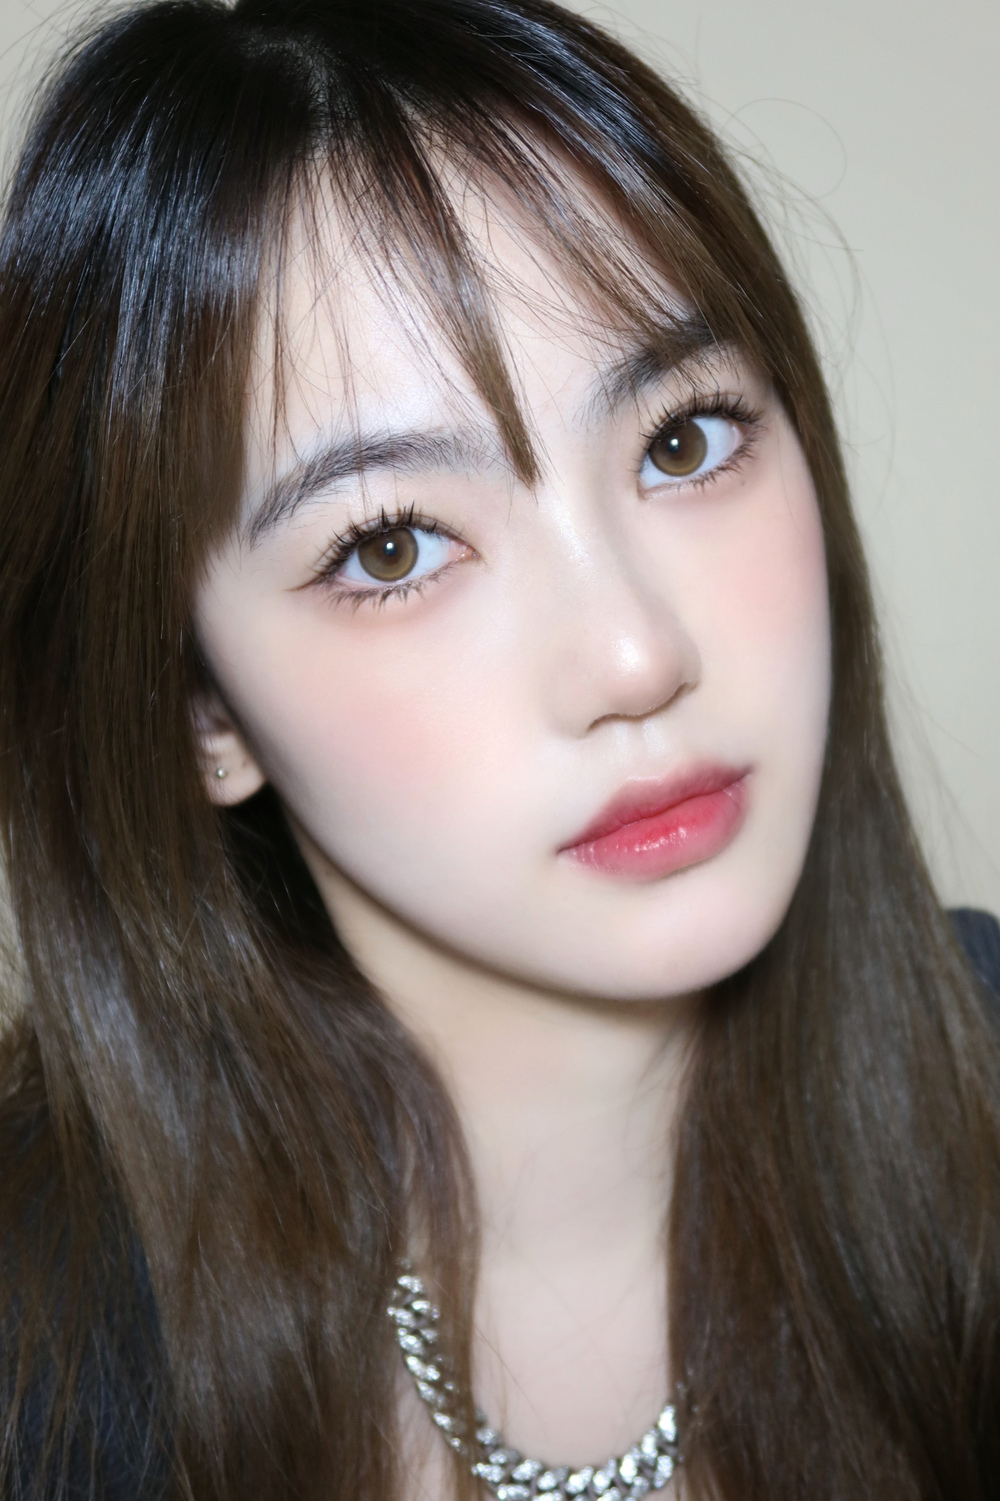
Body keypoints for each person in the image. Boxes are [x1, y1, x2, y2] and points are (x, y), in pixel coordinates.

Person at [0, 1, 997, 1497]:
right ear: (200, 712)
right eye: (392, 544)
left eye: (682, 440)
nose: (636, 655)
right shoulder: (47, 1363)